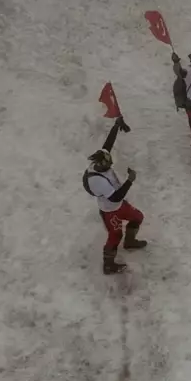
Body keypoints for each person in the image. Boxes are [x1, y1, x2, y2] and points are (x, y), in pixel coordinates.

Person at [83, 117, 148, 274]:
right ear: (100, 165)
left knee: (137, 217)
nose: (110, 166)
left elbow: (108, 145)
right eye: (108, 165)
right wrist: (129, 181)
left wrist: (116, 126)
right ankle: (108, 264)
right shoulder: (97, 181)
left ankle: (130, 241)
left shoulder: (100, 162)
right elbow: (115, 197)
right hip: (110, 210)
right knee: (115, 235)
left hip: (119, 205)